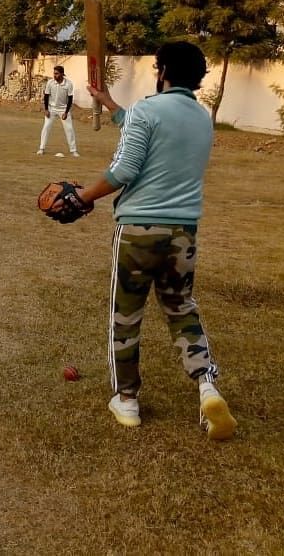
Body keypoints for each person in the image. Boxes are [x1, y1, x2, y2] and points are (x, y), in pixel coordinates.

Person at [79, 41, 235, 440]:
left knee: (126, 315)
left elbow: (124, 170)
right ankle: (207, 386)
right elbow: (148, 129)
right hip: (183, 233)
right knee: (181, 308)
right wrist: (109, 104)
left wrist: (82, 197)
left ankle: (127, 399)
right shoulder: (202, 119)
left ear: (162, 70)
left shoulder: (147, 110)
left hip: (138, 231)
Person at [37, 65, 78, 156]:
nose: (55, 75)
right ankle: (41, 149)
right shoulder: (50, 83)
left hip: (63, 109)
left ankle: (73, 150)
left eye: (57, 73)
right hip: (51, 109)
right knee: (46, 127)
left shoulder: (69, 84)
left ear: (62, 74)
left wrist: (66, 112)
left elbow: (70, 99)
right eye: (54, 73)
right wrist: (46, 109)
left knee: (69, 129)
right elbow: (46, 96)